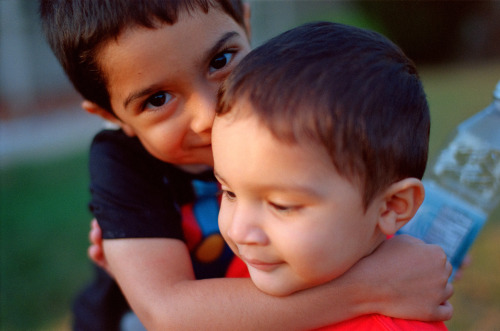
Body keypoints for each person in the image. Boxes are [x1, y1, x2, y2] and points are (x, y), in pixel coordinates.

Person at [39, 1, 453, 330]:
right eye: (158, 100)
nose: (207, 115)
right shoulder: (124, 164)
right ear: (111, 116)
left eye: (220, 61)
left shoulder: (290, 112)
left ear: (247, 23)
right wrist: (372, 287)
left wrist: (409, 253)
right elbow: (168, 315)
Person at [213, 21, 448, 330]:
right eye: (229, 193)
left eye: (282, 205)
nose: (238, 231)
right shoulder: (264, 263)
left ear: (391, 206)